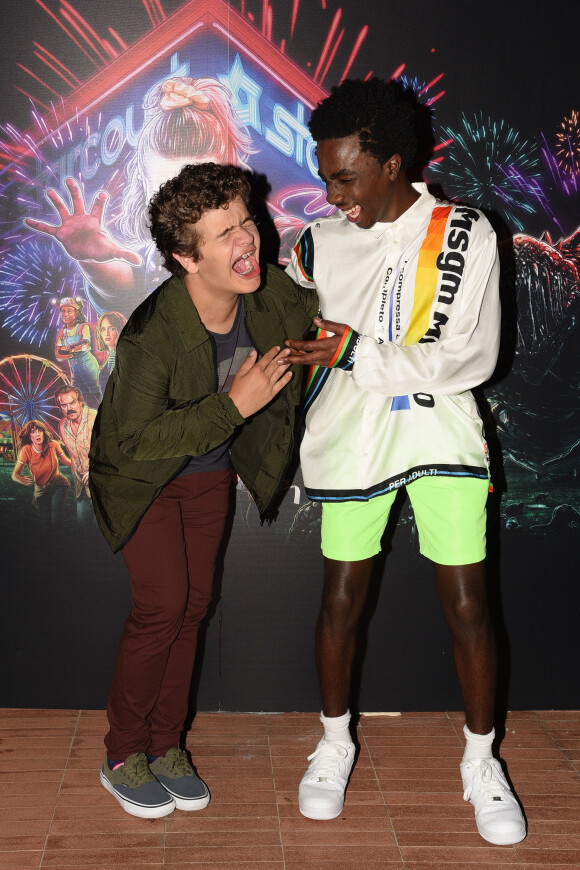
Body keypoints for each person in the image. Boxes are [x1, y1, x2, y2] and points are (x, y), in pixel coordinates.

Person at [283, 78, 526, 846]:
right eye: (324, 175)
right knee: (341, 602)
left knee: (468, 607)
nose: (332, 192)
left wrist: (360, 351)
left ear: (393, 165)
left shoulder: (466, 232)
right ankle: (334, 744)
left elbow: (473, 358)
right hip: (350, 437)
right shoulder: (316, 243)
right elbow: (285, 325)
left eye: (345, 175)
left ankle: (481, 762)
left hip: (440, 437)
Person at [89, 162, 317, 819]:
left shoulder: (268, 291)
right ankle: (121, 752)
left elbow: (315, 314)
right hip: (144, 481)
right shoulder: (151, 335)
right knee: (161, 609)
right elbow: (131, 443)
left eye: (246, 220)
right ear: (187, 258)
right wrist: (234, 407)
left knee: (192, 609)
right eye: (225, 235)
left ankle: (165, 747)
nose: (247, 239)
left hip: (207, 473)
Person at [26, 77, 254, 315]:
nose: (184, 208)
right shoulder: (157, 260)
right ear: (144, 188)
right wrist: (91, 261)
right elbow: (125, 286)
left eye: (200, 189)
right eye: (165, 193)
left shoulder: (254, 245)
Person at [11, 419, 71, 523]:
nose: (37, 434)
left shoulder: (53, 445)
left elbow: (66, 461)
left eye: (40, 430)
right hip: (40, 489)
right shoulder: (26, 450)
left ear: (44, 432)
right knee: (45, 519)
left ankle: (58, 536)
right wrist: (20, 479)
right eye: (33, 432)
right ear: (29, 436)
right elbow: (15, 475)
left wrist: (82, 465)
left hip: (57, 483)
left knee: (56, 519)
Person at [55, 386, 97, 525]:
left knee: (101, 536)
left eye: (72, 403)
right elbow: (74, 457)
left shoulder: (96, 419)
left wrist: (95, 471)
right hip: (81, 490)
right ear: (60, 408)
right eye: (64, 405)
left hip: (102, 488)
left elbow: (113, 452)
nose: (69, 408)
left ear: (80, 402)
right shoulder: (63, 426)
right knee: (82, 532)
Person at [54, 297, 102, 408]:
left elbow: (85, 344)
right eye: (63, 311)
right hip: (74, 371)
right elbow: (58, 354)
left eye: (69, 311)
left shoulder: (82, 327)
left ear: (77, 313)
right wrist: (71, 352)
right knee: (78, 397)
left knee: (98, 393)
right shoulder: (62, 332)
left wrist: (68, 349)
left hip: (89, 367)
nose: (65, 314)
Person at [95, 311, 127, 393]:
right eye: (103, 329)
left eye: (112, 328)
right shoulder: (112, 354)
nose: (107, 333)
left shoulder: (118, 354)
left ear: (120, 329)